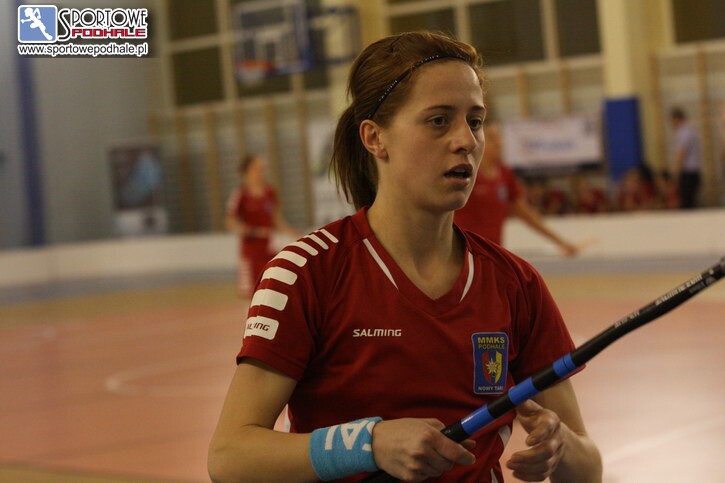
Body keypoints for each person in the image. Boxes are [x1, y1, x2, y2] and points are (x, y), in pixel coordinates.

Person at [209, 31, 602, 483]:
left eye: (475, 121)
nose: (466, 140)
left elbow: (588, 470)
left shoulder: (517, 284)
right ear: (375, 138)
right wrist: (369, 444)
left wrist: (561, 445)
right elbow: (230, 456)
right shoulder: (306, 272)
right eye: (438, 120)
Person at [454, 123, 580, 257]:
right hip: (462, 252)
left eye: (499, 137)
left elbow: (525, 213)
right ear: (477, 140)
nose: (499, 142)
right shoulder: (465, 172)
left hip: (491, 254)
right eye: (492, 137)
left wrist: (560, 242)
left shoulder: (505, 174)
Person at [225, 153, 299, 299]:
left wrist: (292, 233)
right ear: (247, 171)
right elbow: (230, 222)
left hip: (269, 250)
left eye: (262, 168)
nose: (261, 172)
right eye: (257, 168)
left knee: (273, 289)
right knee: (251, 294)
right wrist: (252, 231)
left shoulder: (270, 192)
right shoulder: (240, 195)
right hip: (251, 254)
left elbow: (276, 219)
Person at [670, 107, 702, 209]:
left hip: (688, 173)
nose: (672, 124)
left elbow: (682, 153)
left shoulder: (684, 132)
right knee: (690, 201)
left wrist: (676, 172)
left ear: (677, 119)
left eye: (672, 121)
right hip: (694, 172)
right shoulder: (691, 131)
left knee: (687, 203)